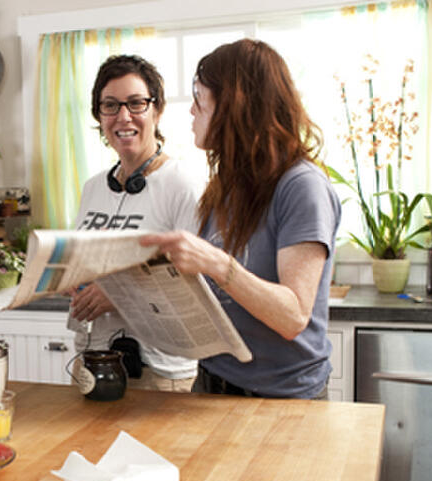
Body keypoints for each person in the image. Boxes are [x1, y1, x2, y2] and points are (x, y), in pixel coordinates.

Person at [140, 39, 341, 399]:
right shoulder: (226, 185)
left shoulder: (302, 186)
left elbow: (293, 317)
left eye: (200, 100)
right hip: (213, 382)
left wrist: (217, 263)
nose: (192, 112)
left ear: (236, 106)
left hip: (282, 397)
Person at [68, 55, 205, 392]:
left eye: (136, 104)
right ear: (99, 116)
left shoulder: (184, 185)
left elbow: (197, 288)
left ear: (156, 111)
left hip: (159, 371)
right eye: (110, 106)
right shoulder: (93, 188)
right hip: (93, 359)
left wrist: (119, 293)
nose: (123, 117)